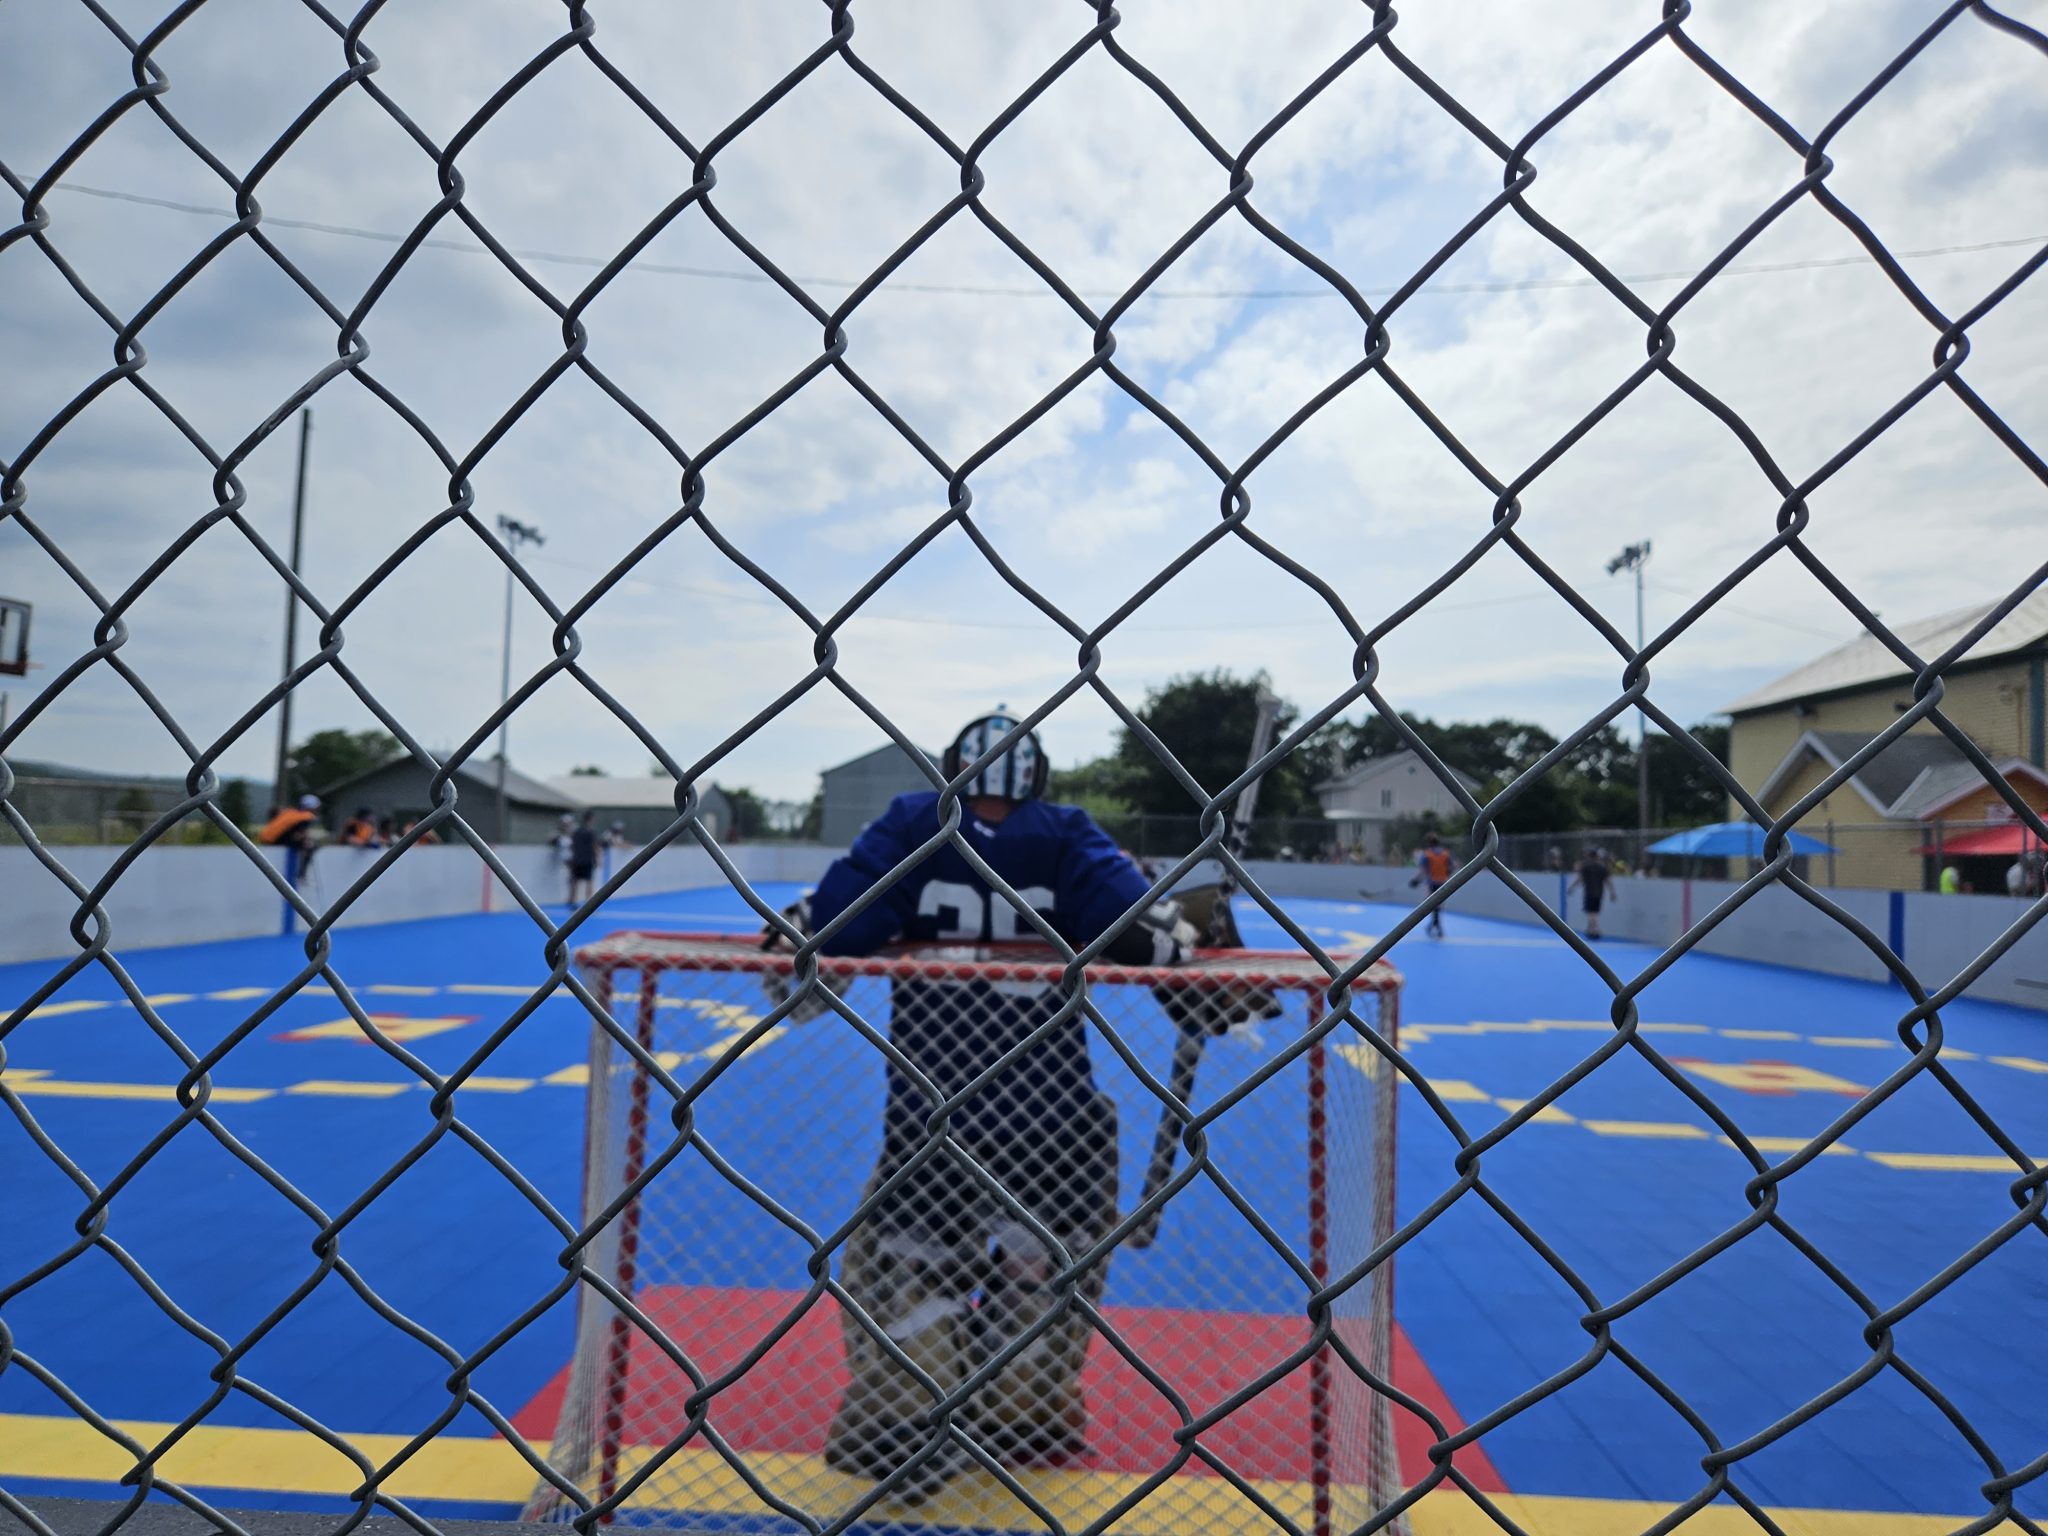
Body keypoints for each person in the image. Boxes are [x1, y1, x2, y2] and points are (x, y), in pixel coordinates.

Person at [797, 709, 1211, 1502]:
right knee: (1039, 1278)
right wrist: (1194, 917)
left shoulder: (917, 823)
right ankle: (1020, 1419)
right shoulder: (1065, 833)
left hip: (933, 1107)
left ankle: (906, 1426)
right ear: (1039, 777)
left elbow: (836, 924)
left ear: (952, 766)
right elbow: (1144, 936)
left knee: (917, 1271)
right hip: (1049, 1109)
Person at [1409, 831, 1456, 937]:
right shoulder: (1445, 853)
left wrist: (1415, 881)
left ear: (1428, 843)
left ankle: (1435, 925)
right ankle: (1435, 925)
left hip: (1432, 883)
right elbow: (1453, 866)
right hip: (1443, 882)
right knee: (1438, 905)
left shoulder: (1427, 854)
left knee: (1431, 905)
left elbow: (1422, 871)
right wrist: (1447, 873)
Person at [1568, 846, 1615, 938]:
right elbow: (1608, 881)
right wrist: (1612, 892)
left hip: (1589, 892)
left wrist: (1572, 888)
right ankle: (1590, 928)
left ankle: (1595, 929)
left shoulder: (1586, 867)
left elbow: (1579, 879)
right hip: (1599, 893)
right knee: (1594, 912)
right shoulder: (1602, 868)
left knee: (1591, 912)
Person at [567, 811, 598, 905]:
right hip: (587, 859)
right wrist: (597, 858)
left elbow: (572, 845)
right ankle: (589, 901)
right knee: (589, 881)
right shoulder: (590, 832)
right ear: (591, 819)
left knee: (575, 880)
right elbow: (594, 846)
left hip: (577, 859)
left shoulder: (576, 831)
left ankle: (572, 899)